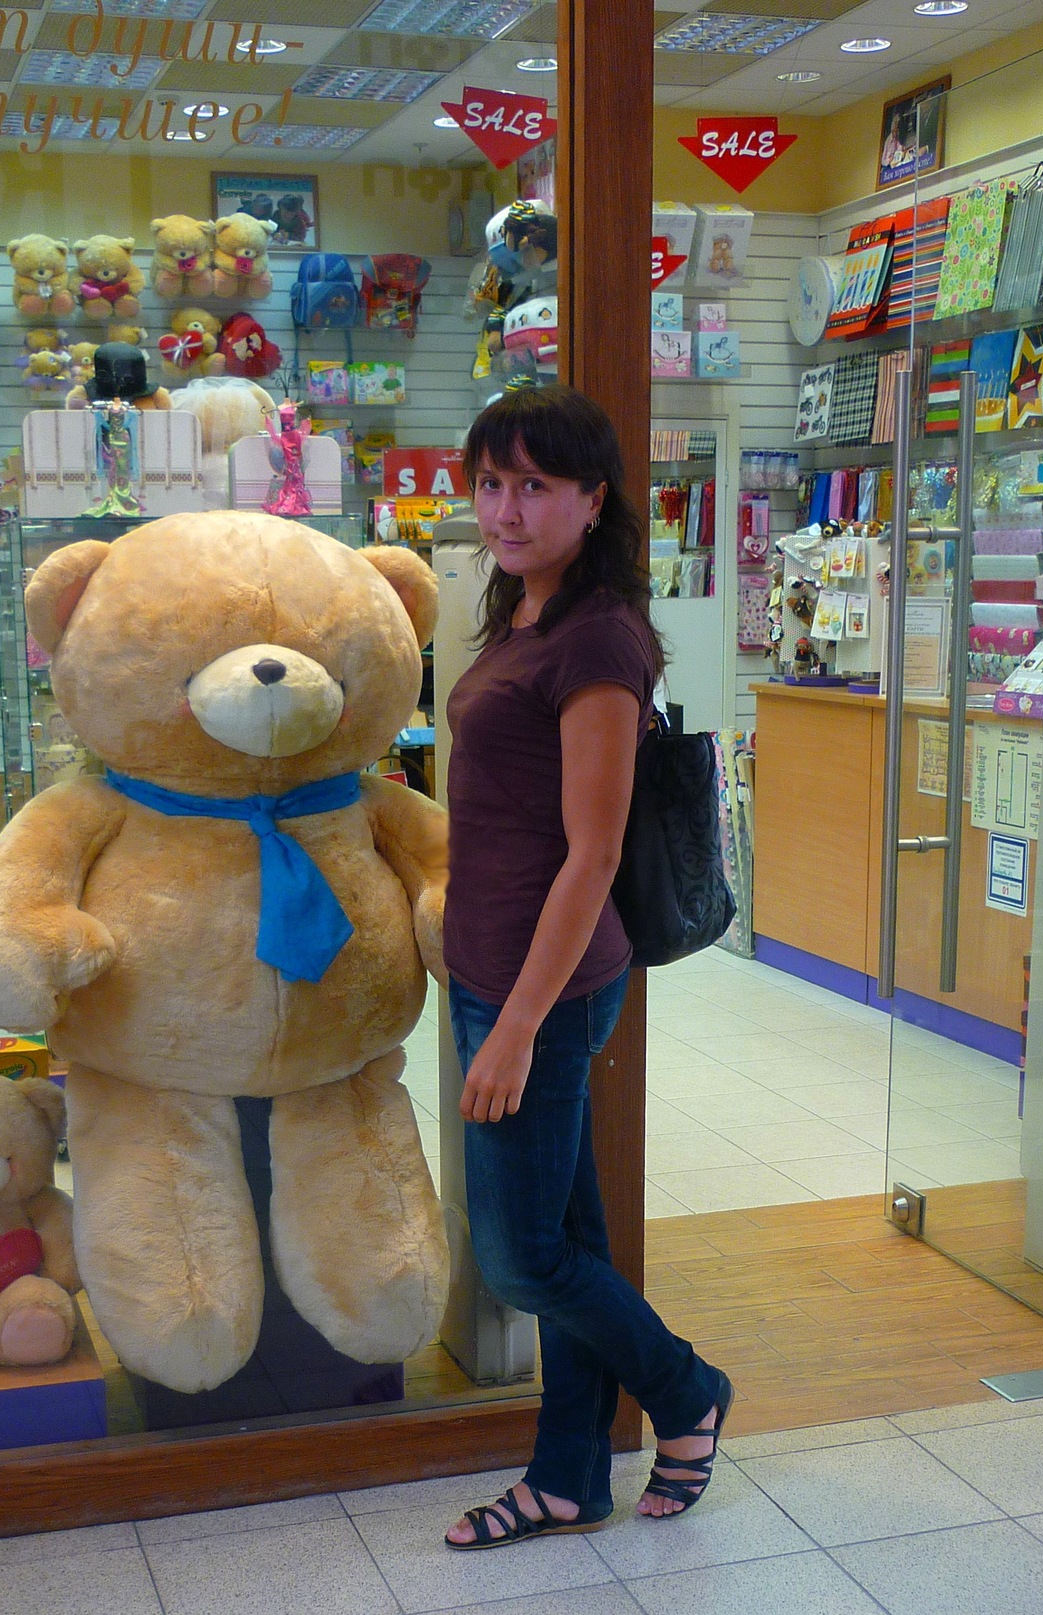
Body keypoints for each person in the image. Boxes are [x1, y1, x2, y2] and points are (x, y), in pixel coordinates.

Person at [442, 382, 733, 1550]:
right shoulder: (522, 609)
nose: (506, 509)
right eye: (491, 483)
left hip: (545, 989)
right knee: (568, 1240)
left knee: (522, 1258)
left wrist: (517, 1026)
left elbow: (594, 852)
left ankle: (687, 1389)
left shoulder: (599, 638)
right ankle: (569, 1475)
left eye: (535, 485)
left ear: (593, 498)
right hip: (492, 969)